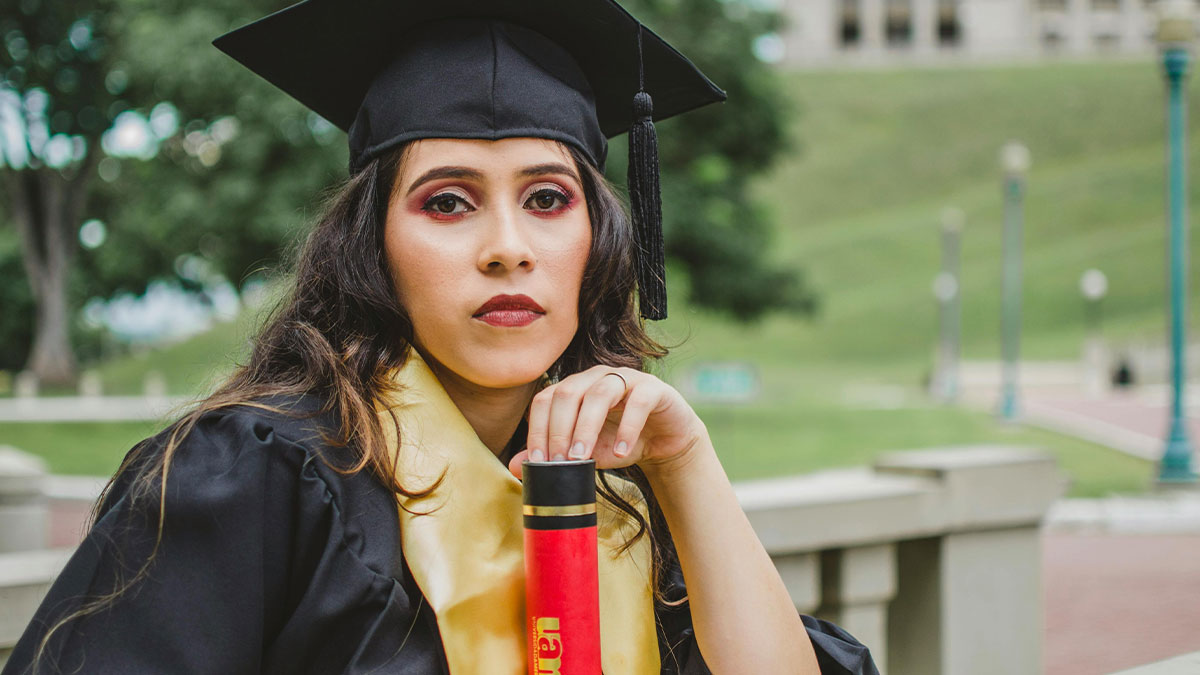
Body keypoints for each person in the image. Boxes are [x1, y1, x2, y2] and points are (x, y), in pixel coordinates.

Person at [5, 1, 880, 673]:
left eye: (547, 198)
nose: (507, 248)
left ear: (598, 240)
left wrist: (685, 459)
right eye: (447, 202)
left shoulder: (621, 494)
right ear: (373, 244)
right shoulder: (259, 476)